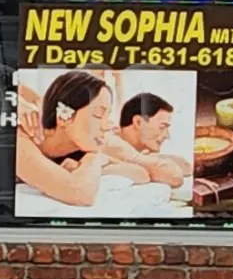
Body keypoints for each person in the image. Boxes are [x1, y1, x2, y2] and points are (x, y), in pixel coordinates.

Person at [17, 69, 155, 209]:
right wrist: (95, 159)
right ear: (63, 117)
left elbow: (142, 174)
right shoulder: (22, 139)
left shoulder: (79, 145)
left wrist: (94, 165)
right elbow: (80, 194)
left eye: (107, 115)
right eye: (98, 115)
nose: (106, 126)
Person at [105, 90, 191, 191]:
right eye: (162, 127)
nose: (167, 136)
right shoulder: (112, 143)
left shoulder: (129, 147)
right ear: (139, 122)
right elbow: (174, 176)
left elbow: (187, 167)